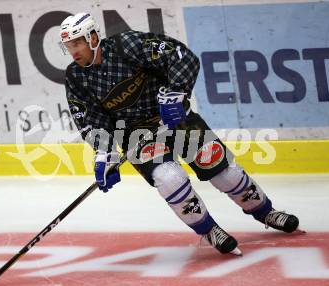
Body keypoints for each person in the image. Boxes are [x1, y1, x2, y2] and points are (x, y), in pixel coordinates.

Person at [59, 12, 300, 255]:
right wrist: (105, 153)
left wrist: (175, 93)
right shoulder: (75, 77)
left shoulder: (127, 45)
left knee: (224, 172)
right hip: (136, 135)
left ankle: (266, 212)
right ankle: (208, 230)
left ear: (92, 37)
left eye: (77, 43)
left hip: (174, 119)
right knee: (169, 177)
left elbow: (181, 57)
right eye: (68, 46)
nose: (73, 51)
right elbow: (90, 119)